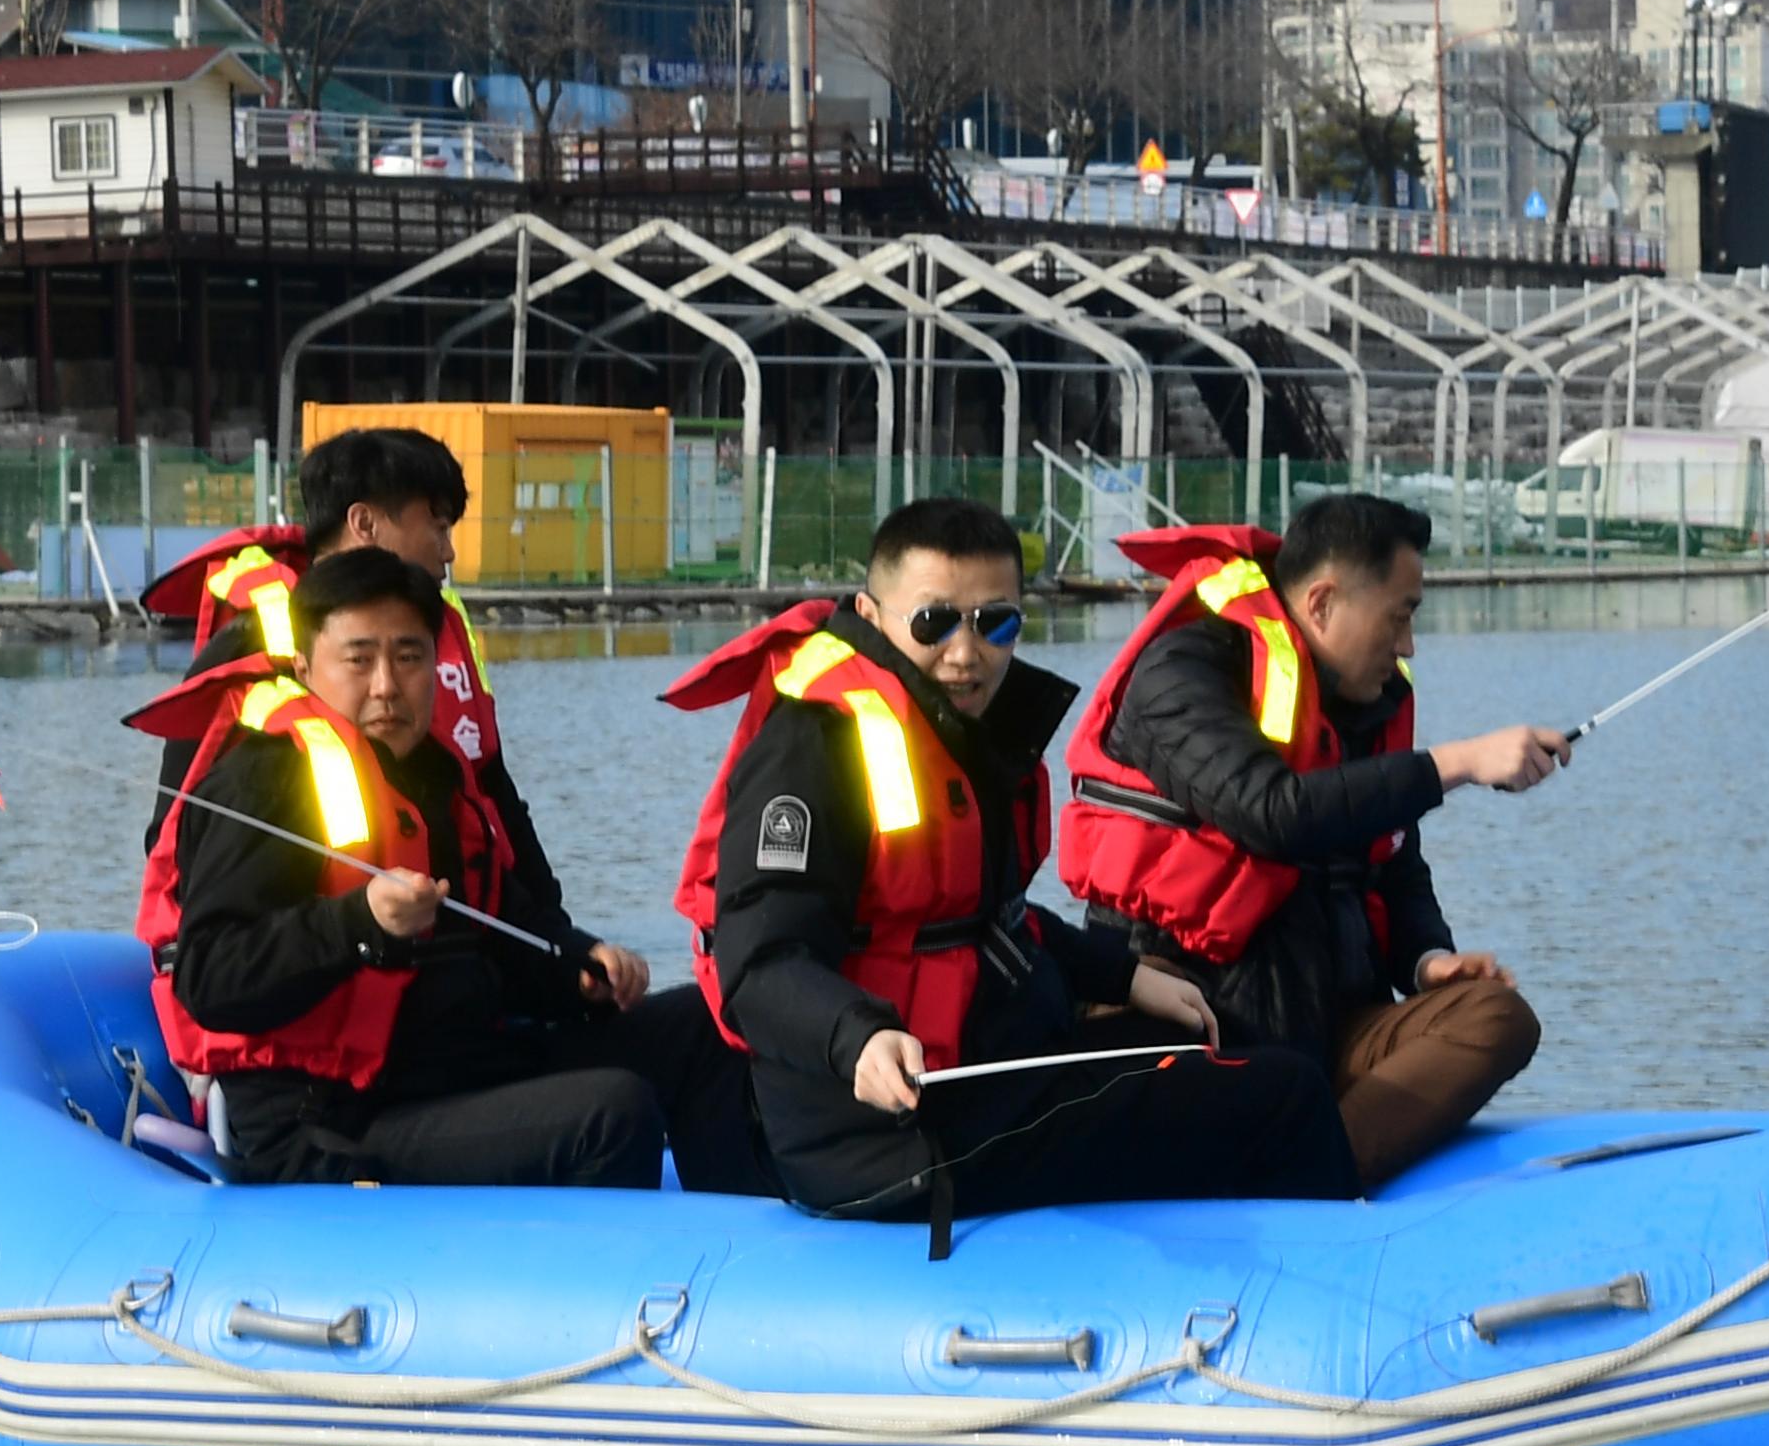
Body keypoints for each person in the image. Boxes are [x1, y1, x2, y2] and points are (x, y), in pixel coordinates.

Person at [664, 497, 1359, 1247]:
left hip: (983, 1067)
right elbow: (762, 959)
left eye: (996, 623)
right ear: (872, 611)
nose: (966, 653)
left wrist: (1122, 976)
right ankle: (1338, 1295)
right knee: (1284, 1095)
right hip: (889, 1134)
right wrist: (857, 1039)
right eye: (934, 623)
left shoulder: (957, 728)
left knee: (1229, 1044)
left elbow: (981, 917)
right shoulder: (811, 746)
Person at [137, 546, 766, 1190]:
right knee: (610, 1114)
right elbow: (209, 979)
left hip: (461, 1072)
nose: (386, 684)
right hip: (333, 1116)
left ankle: (740, 1252)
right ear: (304, 666)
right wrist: (360, 923)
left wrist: (577, 966)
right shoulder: (261, 778)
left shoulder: (434, 777)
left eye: (408, 657)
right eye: (359, 659)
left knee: (705, 1024)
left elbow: (496, 929)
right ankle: (612, 1284)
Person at [1060, 497, 1568, 1185]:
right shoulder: (1180, 673)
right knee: (1166, 1059)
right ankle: (1311, 1169)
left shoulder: (1362, 698)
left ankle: (1316, 1173)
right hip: (1204, 1021)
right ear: (1324, 602)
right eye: (1401, 615)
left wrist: (1426, 961)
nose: (1409, 645)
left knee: (1498, 1017)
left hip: (1331, 1029)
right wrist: (1460, 763)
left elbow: (1393, 859)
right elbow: (1273, 812)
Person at [140, 428, 540, 902]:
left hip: (449, 926)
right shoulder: (253, 647)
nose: (448, 551)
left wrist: (566, 940)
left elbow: (492, 789)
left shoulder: (444, 627)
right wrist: (352, 927)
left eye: (408, 656)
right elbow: (177, 828)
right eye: (437, 527)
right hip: (319, 938)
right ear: (364, 524)